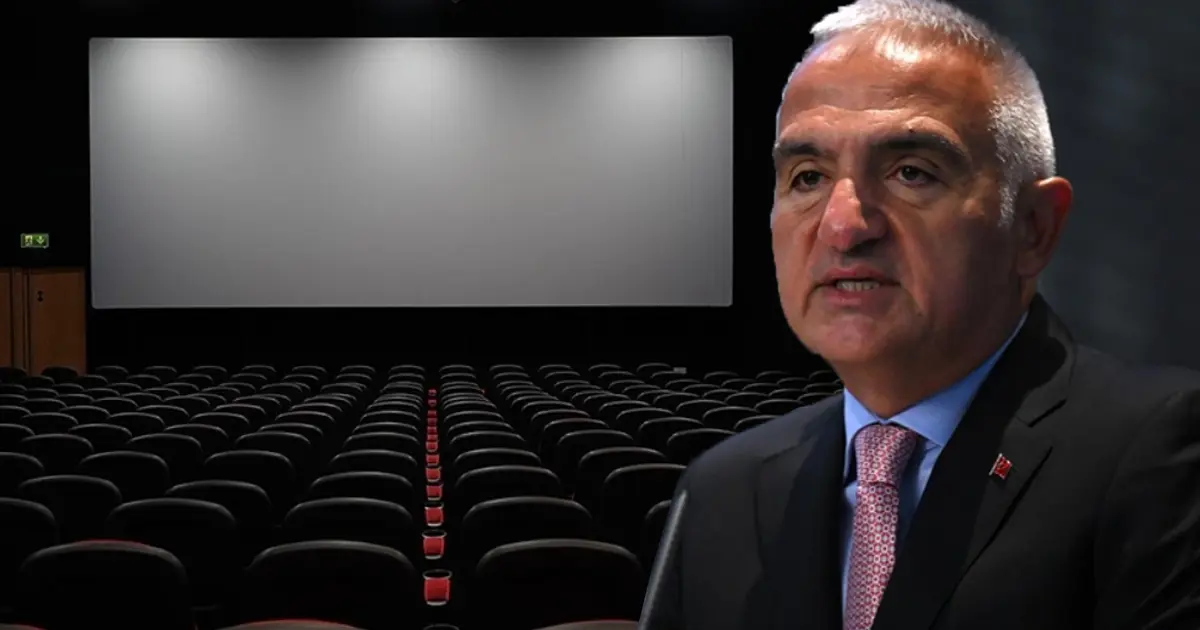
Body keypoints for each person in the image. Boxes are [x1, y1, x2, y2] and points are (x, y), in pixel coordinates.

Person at [637, 1, 1200, 629]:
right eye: (808, 177)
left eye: (911, 173)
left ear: (1034, 228)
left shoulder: (1160, 455)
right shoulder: (719, 491)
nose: (844, 225)